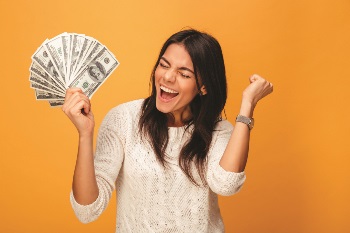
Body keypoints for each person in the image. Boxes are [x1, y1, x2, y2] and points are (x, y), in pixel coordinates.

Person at [62, 29, 273, 232]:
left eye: (184, 74)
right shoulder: (123, 119)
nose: (168, 77)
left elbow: (227, 184)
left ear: (204, 87)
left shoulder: (218, 131)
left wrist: (248, 104)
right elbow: (87, 210)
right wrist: (85, 134)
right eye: (164, 65)